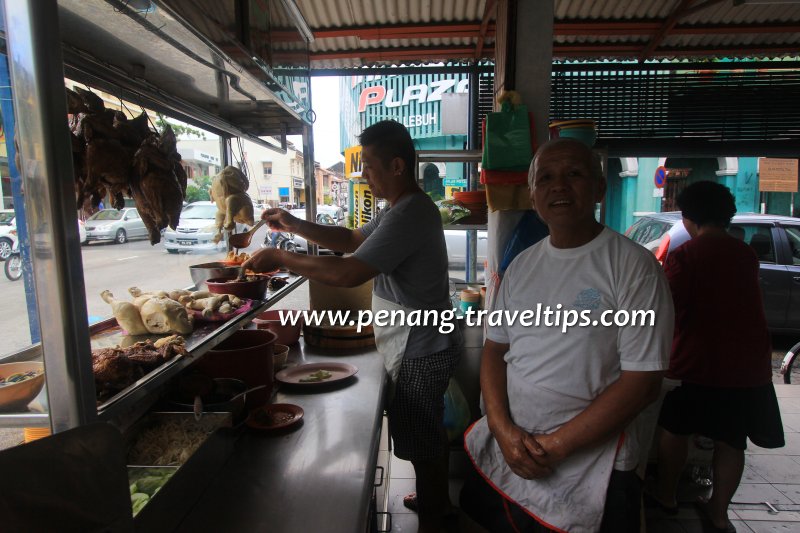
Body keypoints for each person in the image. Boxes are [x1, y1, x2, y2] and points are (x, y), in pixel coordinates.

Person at [243, 120, 462, 533]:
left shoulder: (411, 211)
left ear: (397, 165)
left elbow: (349, 273)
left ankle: (438, 513)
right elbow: (349, 239)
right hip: (414, 340)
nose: (364, 177)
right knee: (420, 430)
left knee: (422, 436)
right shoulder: (398, 208)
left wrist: (283, 259)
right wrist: (293, 224)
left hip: (421, 344)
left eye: (370, 168)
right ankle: (436, 499)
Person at [461, 138, 674, 533]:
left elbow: (642, 383)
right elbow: (495, 350)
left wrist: (554, 448)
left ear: (599, 188)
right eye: (546, 178)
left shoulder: (633, 267)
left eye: (574, 174)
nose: (559, 186)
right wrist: (501, 428)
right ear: (533, 194)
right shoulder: (522, 266)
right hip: (516, 444)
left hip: (592, 460)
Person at [651, 181, 784, 533]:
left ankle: (665, 495)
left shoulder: (687, 255)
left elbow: (667, 308)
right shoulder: (745, 254)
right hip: (746, 367)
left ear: (687, 217)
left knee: (673, 428)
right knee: (731, 439)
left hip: (699, 362)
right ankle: (720, 513)